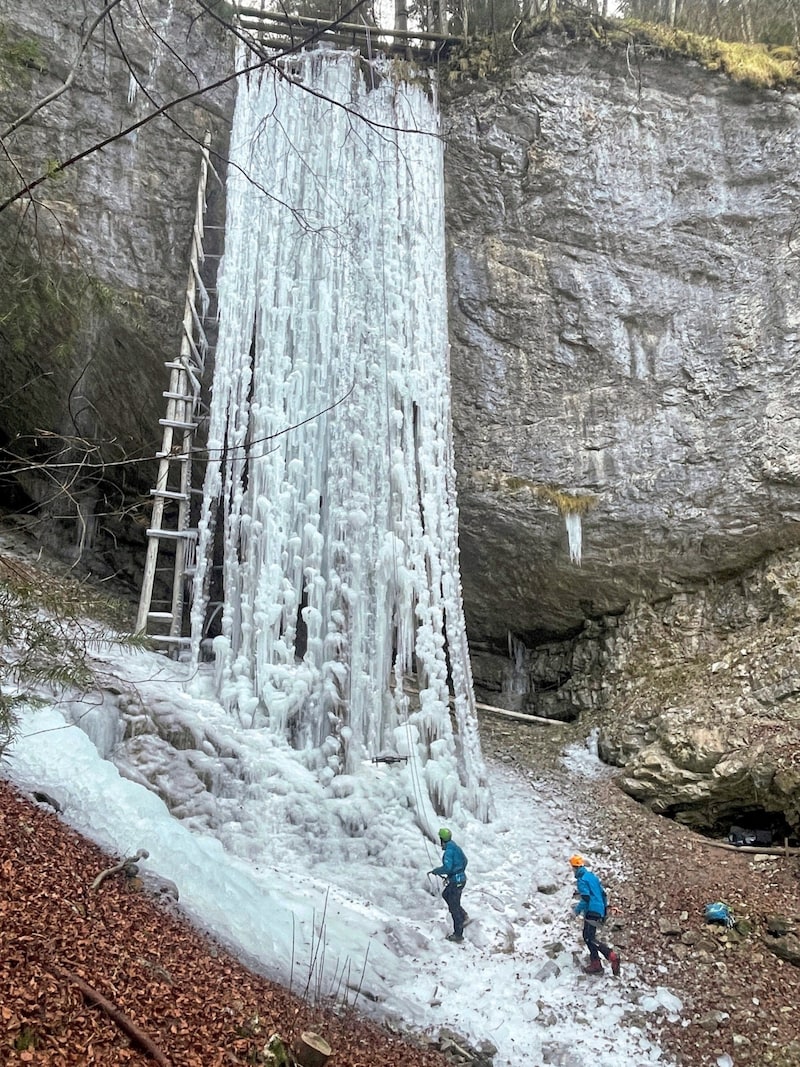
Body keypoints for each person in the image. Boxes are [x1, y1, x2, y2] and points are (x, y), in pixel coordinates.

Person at [570, 854, 620, 976]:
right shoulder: (592, 877)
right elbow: (603, 894)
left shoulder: (582, 880)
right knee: (588, 936)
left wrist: (576, 912)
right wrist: (603, 911)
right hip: (598, 910)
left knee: (589, 938)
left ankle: (610, 956)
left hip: (591, 910)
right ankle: (596, 963)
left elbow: (586, 898)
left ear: (575, 868)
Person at [429, 827, 468, 942]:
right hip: (461, 879)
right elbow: (465, 861)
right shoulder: (456, 847)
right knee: (447, 895)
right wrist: (457, 871)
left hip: (456, 881)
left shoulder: (448, 852)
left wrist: (437, 871)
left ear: (442, 840)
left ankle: (458, 933)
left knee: (453, 906)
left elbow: (447, 867)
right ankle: (463, 915)